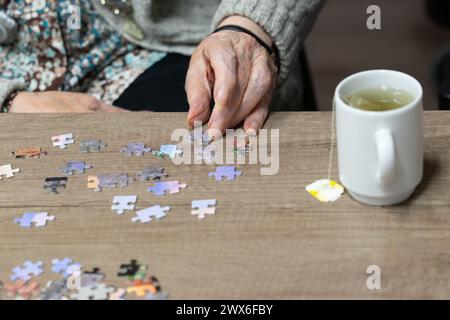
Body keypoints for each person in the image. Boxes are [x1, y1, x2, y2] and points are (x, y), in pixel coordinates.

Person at [0, 0, 325, 136]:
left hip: (173, 39)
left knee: (216, 150)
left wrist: (249, 27)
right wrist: (9, 101)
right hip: (9, 84)